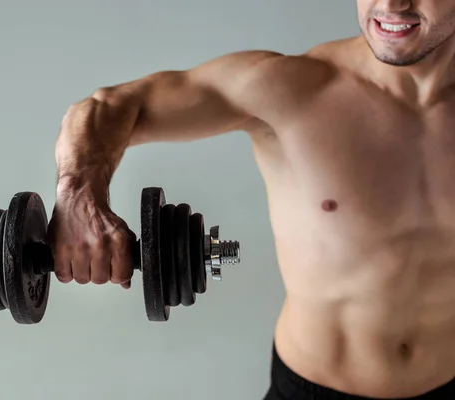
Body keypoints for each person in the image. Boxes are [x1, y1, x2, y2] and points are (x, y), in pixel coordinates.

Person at [47, 1, 455, 399]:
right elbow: (110, 107)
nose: (391, 5)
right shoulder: (294, 88)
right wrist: (79, 197)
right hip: (315, 388)